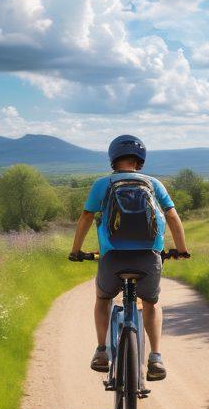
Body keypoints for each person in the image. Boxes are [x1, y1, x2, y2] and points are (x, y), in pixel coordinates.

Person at [68, 134, 190, 381]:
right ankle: (155, 357)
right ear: (140, 160)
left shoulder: (102, 184)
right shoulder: (154, 184)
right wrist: (181, 249)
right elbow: (173, 217)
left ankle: (101, 351)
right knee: (152, 304)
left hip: (112, 257)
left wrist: (75, 251)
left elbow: (85, 219)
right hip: (148, 257)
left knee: (103, 299)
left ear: (113, 158)